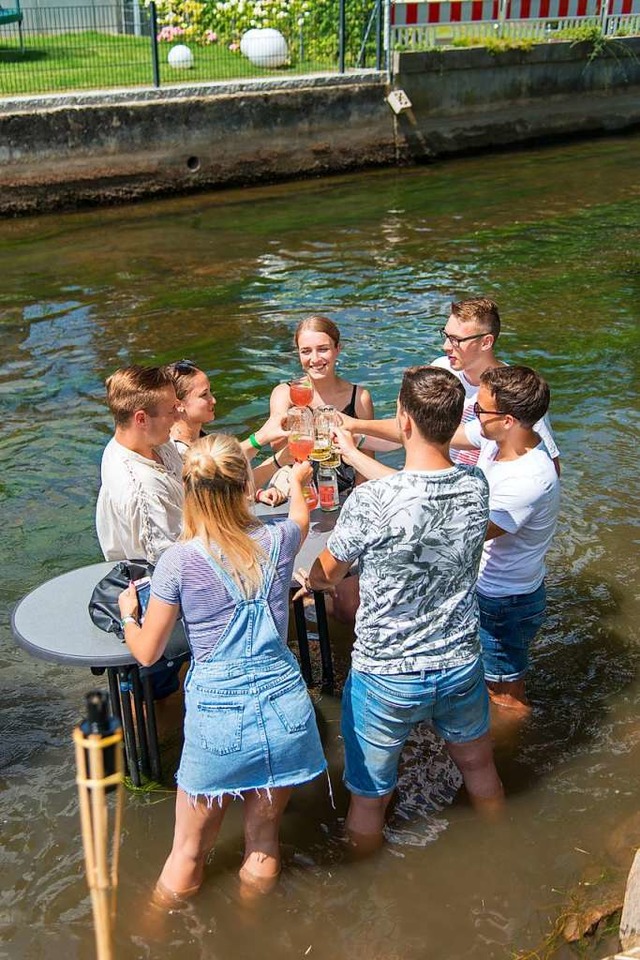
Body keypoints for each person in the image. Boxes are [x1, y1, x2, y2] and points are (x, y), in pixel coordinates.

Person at [117, 435, 327, 900]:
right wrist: (297, 479)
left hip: (219, 720)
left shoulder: (178, 561)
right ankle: (254, 928)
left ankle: (155, 936)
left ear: (190, 492)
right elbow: (301, 517)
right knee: (264, 840)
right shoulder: (278, 541)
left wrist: (129, 614)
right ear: (244, 488)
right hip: (285, 709)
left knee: (188, 852)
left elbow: (148, 653)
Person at [307, 366, 504, 853]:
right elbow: (414, 490)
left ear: (404, 421)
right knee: (480, 769)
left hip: (386, 673)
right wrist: (353, 453)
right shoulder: (476, 484)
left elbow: (325, 574)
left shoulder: (373, 500)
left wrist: (313, 579)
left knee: (371, 798)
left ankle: (364, 890)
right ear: (455, 420)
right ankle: (505, 852)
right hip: (459, 661)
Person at [338, 298, 561, 476]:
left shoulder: (515, 392)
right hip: (438, 479)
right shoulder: (441, 370)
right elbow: (414, 431)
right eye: (445, 335)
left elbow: (549, 466)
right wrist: (355, 430)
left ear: (486, 342)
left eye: (456, 340)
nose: (446, 346)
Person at [453, 365, 561, 714]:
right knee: (493, 679)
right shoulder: (500, 438)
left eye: (481, 409)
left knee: (505, 695)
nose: (475, 414)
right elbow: (434, 434)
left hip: (504, 601)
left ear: (510, 420)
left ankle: (513, 755)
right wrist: (355, 431)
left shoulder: (528, 477)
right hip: (497, 593)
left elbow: (467, 531)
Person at [269, 315, 375, 492]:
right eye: (306, 351)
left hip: (344, 488)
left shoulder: (359, 397)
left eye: (323, 349)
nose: (315, 359)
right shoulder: (284, 394)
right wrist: (297, 420)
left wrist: (356, 497)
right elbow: (277, 447)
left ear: (337, 349)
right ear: (298, 354)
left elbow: (367, 460)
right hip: (296, 486)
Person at [167, 359, 286, 506]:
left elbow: (225, 487)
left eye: (210, 391)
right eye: (204, 395)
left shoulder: (202, 438)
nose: (213, 400)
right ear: (179, 405)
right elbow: (214, 503)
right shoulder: (174, 454)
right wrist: (274, 454)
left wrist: (257, 494)